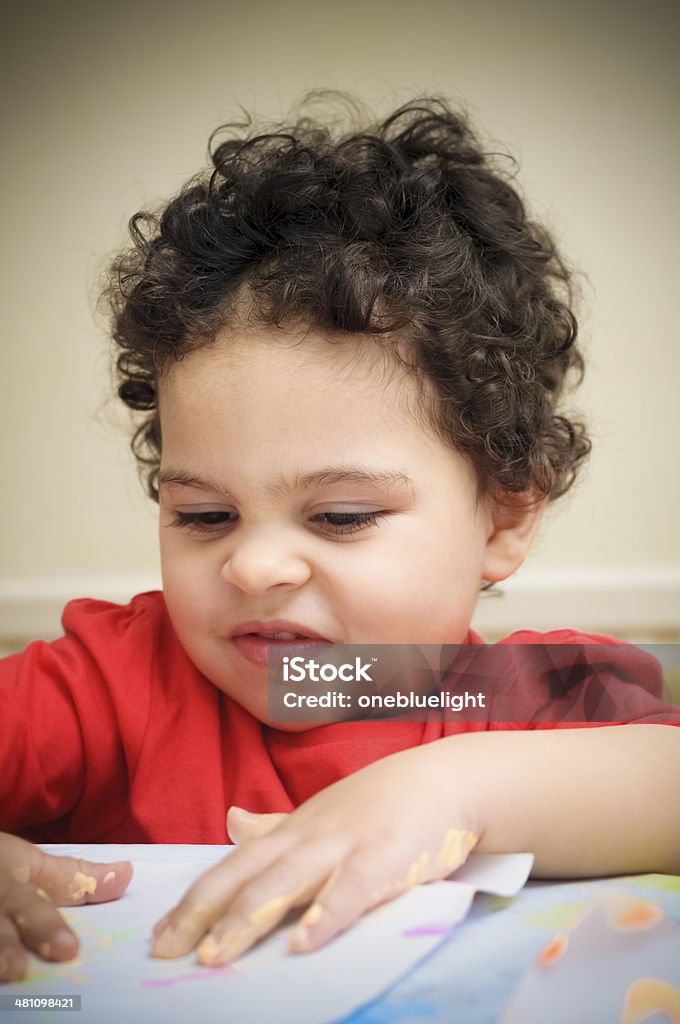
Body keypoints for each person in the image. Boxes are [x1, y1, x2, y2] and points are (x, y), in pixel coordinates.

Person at [1, 92, 678, 983]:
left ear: (504, 519)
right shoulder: (113, 685)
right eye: (205, 516)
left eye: (342, 517)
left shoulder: (517, 693)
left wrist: (454, 790)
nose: (254, 564)